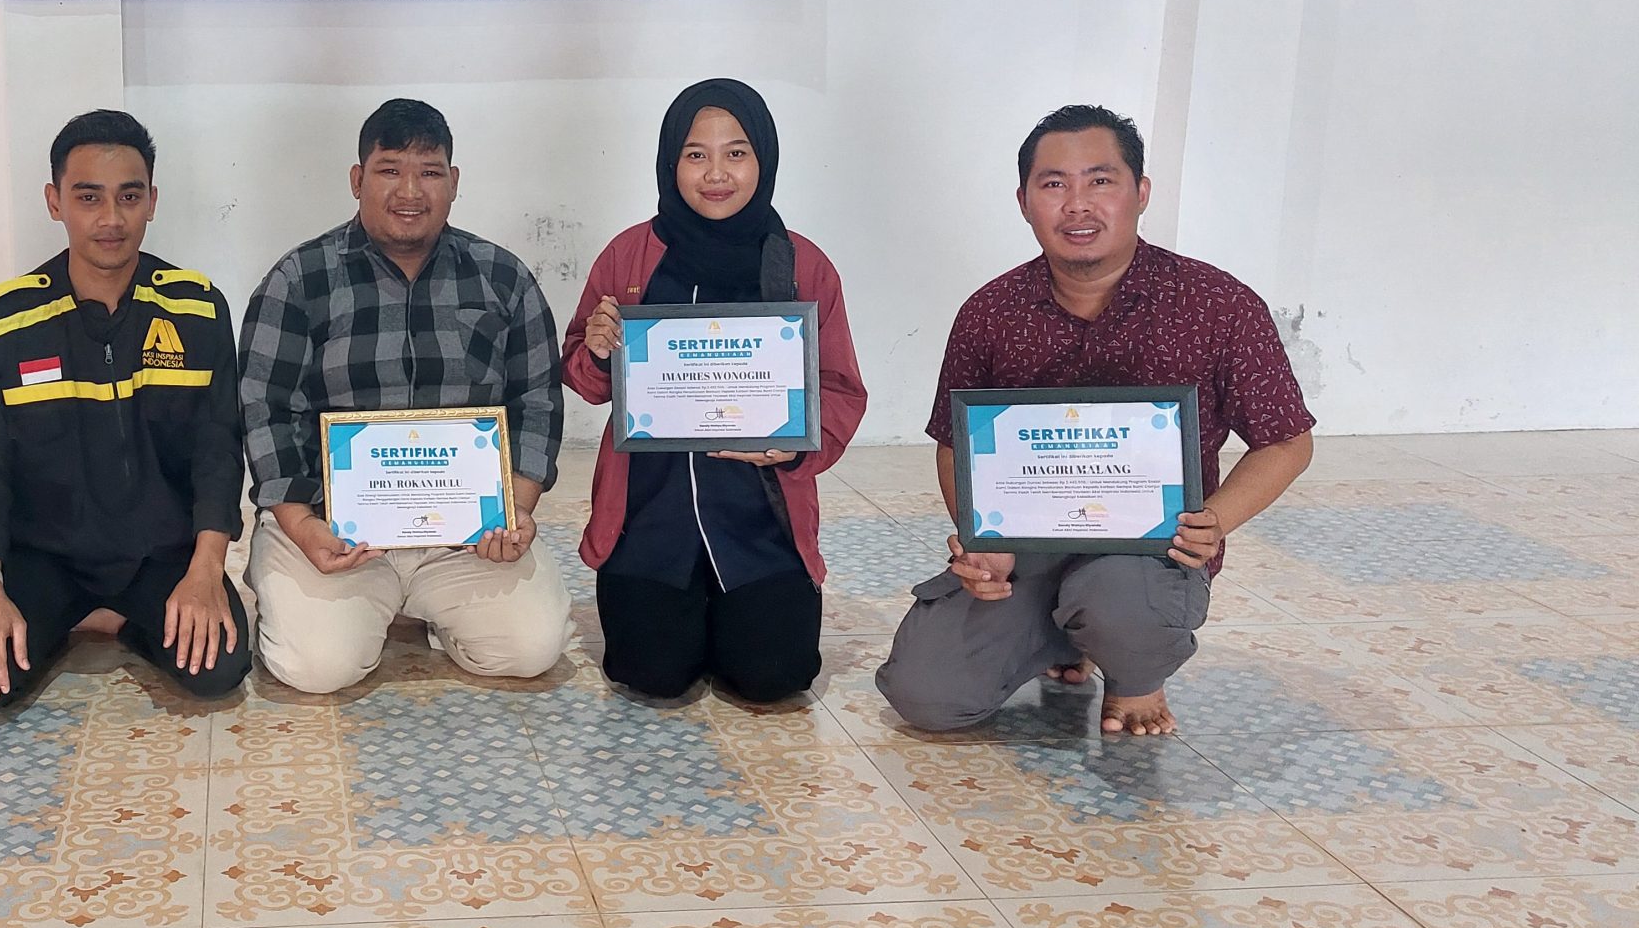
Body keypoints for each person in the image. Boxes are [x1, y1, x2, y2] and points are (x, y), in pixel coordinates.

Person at [875, 105, 1315, 736]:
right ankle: (1059, 640)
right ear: (1024, 201)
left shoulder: (1217, 304)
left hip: (1147, 552)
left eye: (1100, 181)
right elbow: (954, 444)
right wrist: (984, 542)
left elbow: (1286, 440)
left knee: (1118, 601)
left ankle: (1136, 674)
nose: (1077, 205)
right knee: (928, 695)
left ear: (1141, 193)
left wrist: (1215, 522)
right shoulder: (990, 312)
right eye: (1054, 185)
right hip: (1027, 548)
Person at [239, 97, 570, 693]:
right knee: (318, 669)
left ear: (454, 181)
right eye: (390, 170)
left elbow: (538, 401)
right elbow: (264, 409)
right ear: (357, 179)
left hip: (466, 537)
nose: (409, 191)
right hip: (333, 529)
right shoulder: (299, 280)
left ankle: (429, 608)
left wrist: (516, 511)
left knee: (531, 648)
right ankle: (301, 587)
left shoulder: (504, 279)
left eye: (430, 171)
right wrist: (301, 523)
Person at [562, 79, 867, 702]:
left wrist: (793, 449)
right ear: (670, 161)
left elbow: (839, 388)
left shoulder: (802, 265)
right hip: (649, 518)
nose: (716, 174)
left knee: (774, 678)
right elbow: (583, 377)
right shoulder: (631, 255)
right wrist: (596, 348)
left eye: (737, 152)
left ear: (765, 160)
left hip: (759, 524)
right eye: (696, 154)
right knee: (649, 674)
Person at [0, 109, 251, 711]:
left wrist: (206, 569)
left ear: (152, 201)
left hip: (160, 558)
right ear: (55, 202)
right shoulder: (4, 321)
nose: (111, 219)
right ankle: (58, 623)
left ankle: (129, 624)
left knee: (220, 669)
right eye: (89, 197)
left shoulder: (197, 310)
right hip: (45, 558)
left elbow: (219, 450)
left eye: (129, 197)